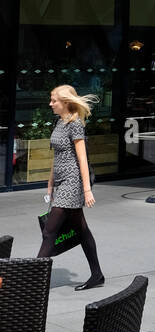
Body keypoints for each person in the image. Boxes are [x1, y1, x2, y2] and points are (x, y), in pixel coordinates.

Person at [37, 85, 105, 291]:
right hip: (60, 182)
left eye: (53, 100)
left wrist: (86, 189)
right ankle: (97, 275)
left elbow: (82, 158)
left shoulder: (75, 124)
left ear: (65, 101)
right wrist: (50, 185)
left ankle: (31, 280)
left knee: (49, 231)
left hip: (72, 183)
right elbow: (57, 156)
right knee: (81, 230)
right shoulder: (59, 122)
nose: (50, 104)